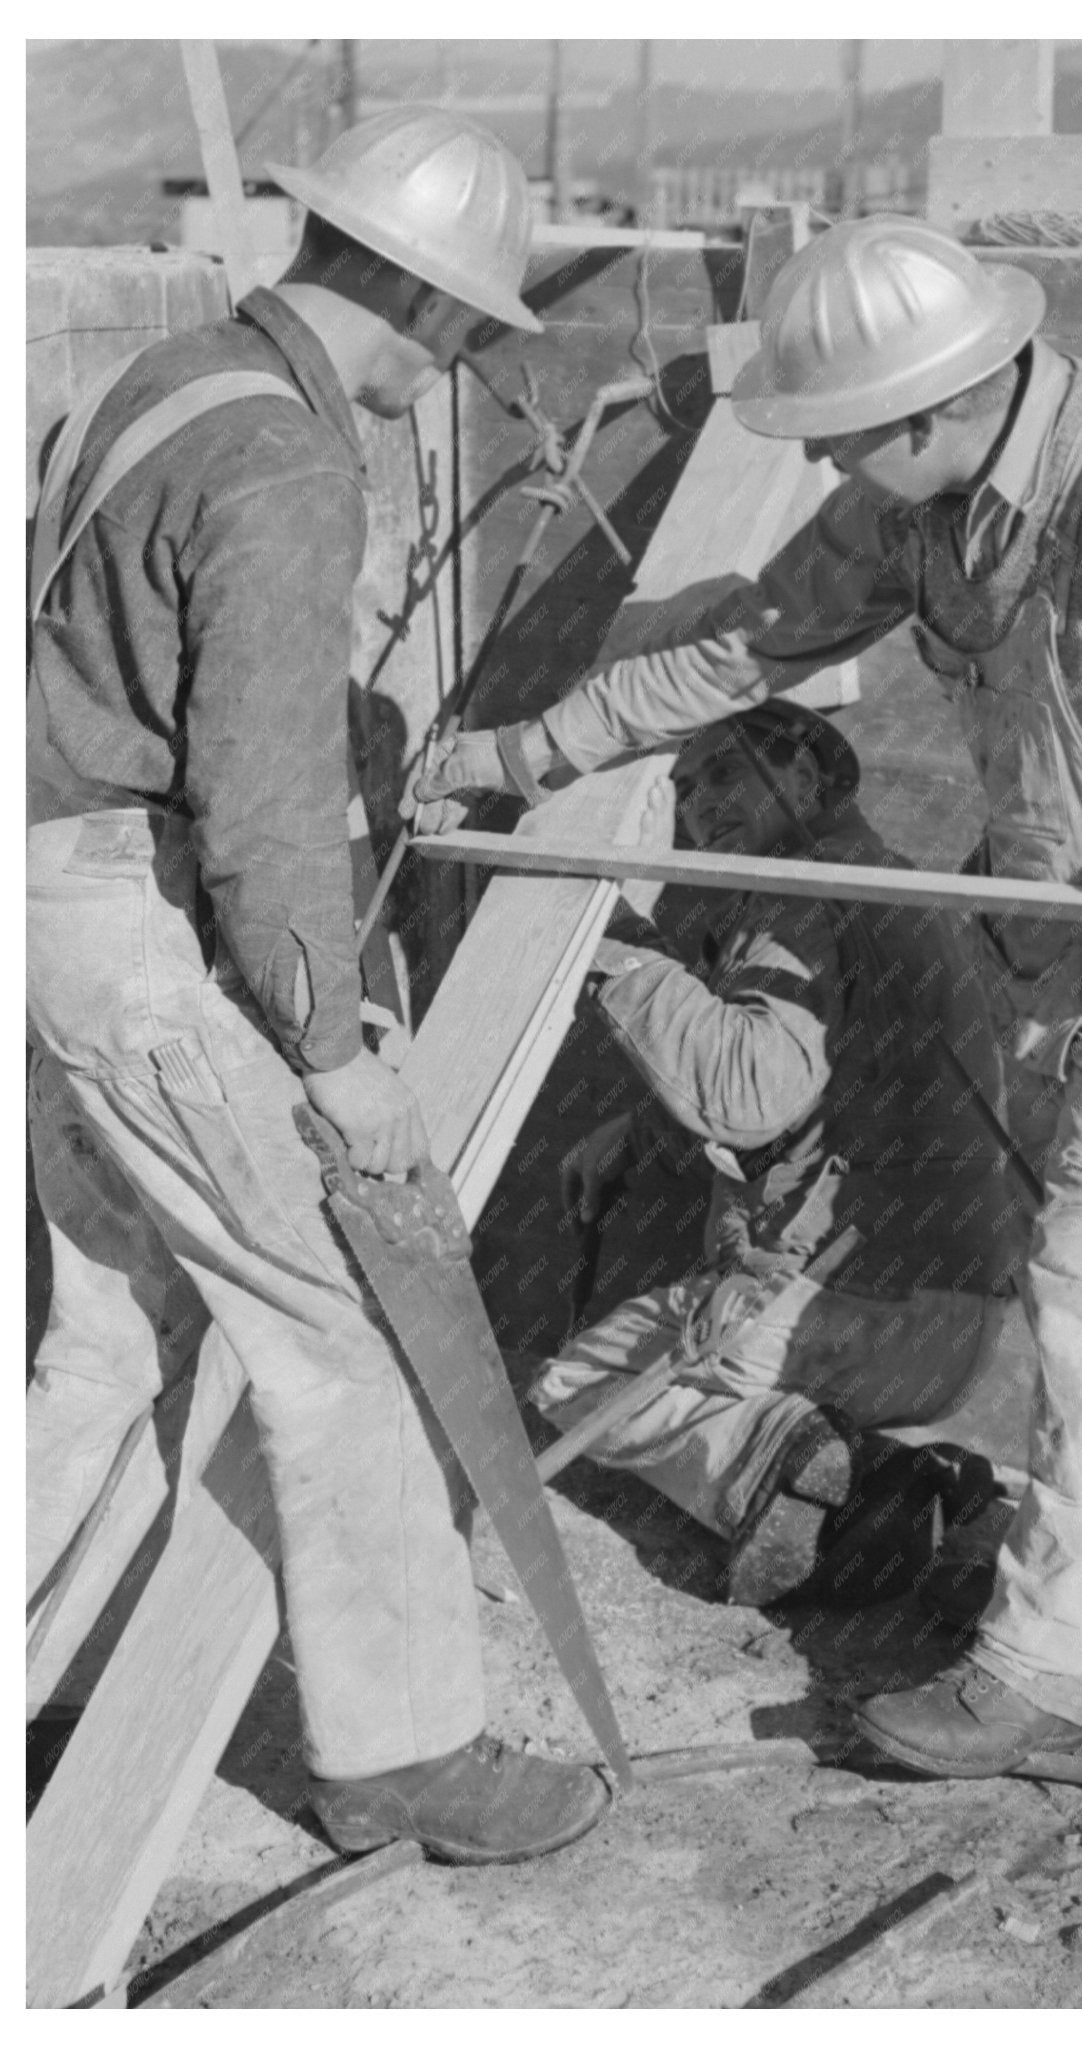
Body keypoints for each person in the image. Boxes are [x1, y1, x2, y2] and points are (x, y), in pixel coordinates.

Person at [408, 217, 1082, 1777]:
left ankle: (1045, 1676)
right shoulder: (922, 506)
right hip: (1071, 942)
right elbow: (740, 649)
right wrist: (519, 756)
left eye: (841, 434)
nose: (827, 461)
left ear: (932, 407)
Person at [27, 107, 608, 1862]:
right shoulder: (285, 461)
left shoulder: (171, 376)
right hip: (135, 927)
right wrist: (333, 1052)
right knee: (339, 1332)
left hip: (46, 892)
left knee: (104, 1342)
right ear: (437, 313)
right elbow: (267, 801)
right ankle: (405, 1751)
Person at [532, 702, 1020, 1606]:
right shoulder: (903, 889)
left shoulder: (802, 890)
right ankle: (914, 1496)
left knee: (578, 1380)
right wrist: (638, 1137)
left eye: (721, 772)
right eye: (681, 788)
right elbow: (836, 1087)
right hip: (960, 1319)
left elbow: (749, 1097)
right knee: (738, 1390)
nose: (696, 802)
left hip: (841, 1304)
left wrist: (619, 945)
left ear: (803, 776)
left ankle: (819, 1486)